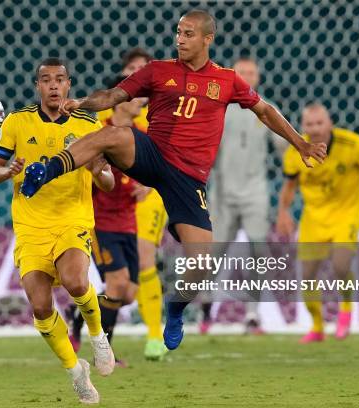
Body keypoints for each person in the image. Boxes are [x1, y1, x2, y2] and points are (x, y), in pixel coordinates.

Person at [19, 10, 327, 351]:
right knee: (114, 134)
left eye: (189, 33)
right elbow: (111, 97)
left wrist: (300, 143)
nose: (180, 38)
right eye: (178, 32)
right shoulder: (158, 71)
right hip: (152, 154)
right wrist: (80, 103)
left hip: (188, 179)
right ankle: (47, 171)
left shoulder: (226, 80)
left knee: (201, 264)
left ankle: (176, 309)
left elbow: (265, 110)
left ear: (207, 39)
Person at [0, 57, 116, 404]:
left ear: (69, 85)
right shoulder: (16, 122)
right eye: (46, 80)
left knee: (75, 281)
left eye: (60, 79)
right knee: (40, 307)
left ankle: (98, 335)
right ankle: (77, 372)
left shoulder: (90, 124)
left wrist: (99, 170)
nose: (53, 85)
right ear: (38, 86)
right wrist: (9, 170)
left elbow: (109, 182)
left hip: (72, 219)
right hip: (30, 227)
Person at [277, 103, 359, 343]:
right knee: (307, 275)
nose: (314, 129)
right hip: (314, 217)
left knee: (341, 264)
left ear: (330, 124)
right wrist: (283, 211)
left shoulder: (353, 144)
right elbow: (289, 185)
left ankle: (346, 308)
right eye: (309, 124)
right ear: (303, 126)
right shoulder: (295, 150)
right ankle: (317, 327)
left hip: (347, 212)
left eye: (319, 123)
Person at [199, 56, 288, 335]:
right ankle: (204, 308)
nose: (247, 77)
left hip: (255, 192)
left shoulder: (265, 110)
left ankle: (251, 315)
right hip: (223, 193)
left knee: (258, 253)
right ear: (232, 77)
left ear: (258, 78)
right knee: (213, 255)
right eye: (242, 73)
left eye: (252, 73)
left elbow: (284, 147)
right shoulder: (218, 109)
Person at [70, 90, 148, 367]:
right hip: (101, 222)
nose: (142, 101)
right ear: (121, 103)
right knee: (117, 284)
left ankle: (79, 315)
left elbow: (153, 171)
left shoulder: (140, 134)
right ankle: (106, 354)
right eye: (138, 97)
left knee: (128, 294)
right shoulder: (99, 133)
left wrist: (147, 185)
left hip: (128, 222)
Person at [100, 47, 169, 360]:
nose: (137, 75)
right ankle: (101, 335)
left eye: (143, 69)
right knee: (126, 285)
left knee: (143, 264)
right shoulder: (106, 115)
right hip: (114, 202)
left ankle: (155, 336)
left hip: (148, 194)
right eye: (132, 69)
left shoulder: (163, 111)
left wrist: (151, 181)